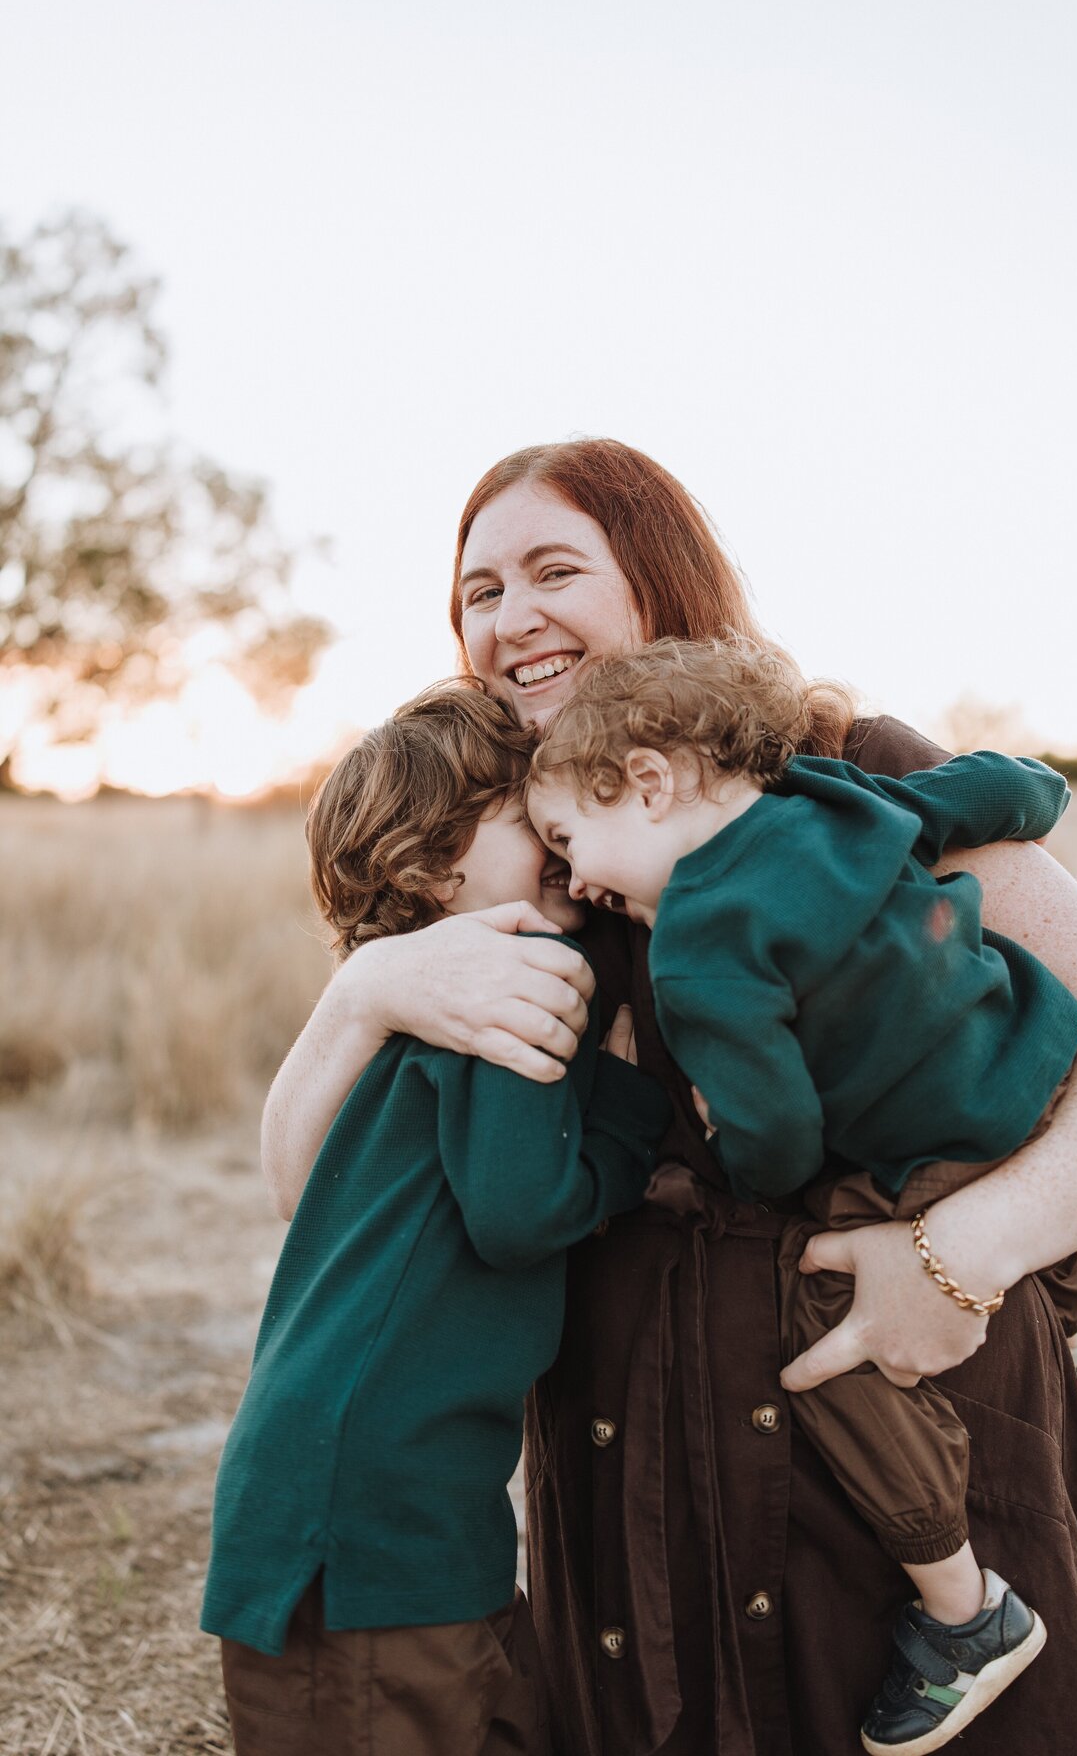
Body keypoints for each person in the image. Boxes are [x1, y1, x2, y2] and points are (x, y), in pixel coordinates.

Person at [261, 439, 1077, 1755]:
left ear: (655, 576)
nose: (510, 615)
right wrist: (368, 994)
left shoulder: (834, 765)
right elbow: (315, 1202)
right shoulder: (508, 854)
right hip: (626, 1453)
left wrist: (961, 1253)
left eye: (553, 570)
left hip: (887, 1409)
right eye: (479, 591)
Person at [525, 635, 1077, 1753]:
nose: (576, 878)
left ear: (645, 784)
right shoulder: (835, 798)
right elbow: (986, 791)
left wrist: (735, 1171)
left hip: (934, 1155)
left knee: (830, 1334)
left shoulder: (696, 944)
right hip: (1038, 1064)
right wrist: (1044, 786)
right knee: (1023, 1224)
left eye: (568, 838)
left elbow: (779, 1132)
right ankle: (1066, 1327)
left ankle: (964, 1613)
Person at [203, 680, 670, 1756]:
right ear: (434, 868)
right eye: (526, 817)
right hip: (371, 1513)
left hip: (365, 1484)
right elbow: (519, 1212)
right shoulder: (508, 980)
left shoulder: (415, 1016)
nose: (561, 840)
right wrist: (632, 1117)